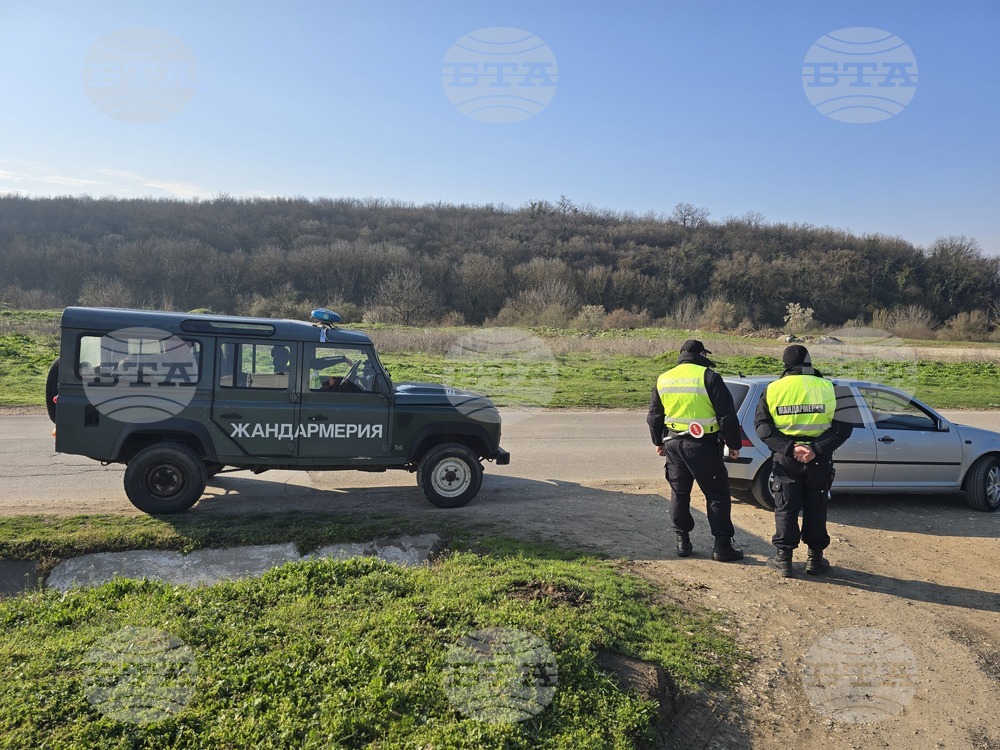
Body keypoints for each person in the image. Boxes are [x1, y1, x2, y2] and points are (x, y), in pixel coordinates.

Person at [754, 344, 854, 577]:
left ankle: (784, 560)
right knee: (816, 507)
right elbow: (845, 427)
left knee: (786, 507)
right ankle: (815, 560)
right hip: (818, 460)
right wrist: (816, 449)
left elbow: (762, 428)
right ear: (809, 362)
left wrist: (790, 448)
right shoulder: (833, 388)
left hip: (786, 459)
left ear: (785, 365)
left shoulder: (772, 389)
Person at [647, 339, 744, 562]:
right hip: (704, 445)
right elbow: (727, 416)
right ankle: (722, 546)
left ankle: (682, 542)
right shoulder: (709, 377)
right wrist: (734, 444)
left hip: (673, 443)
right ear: (701, 354)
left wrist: (658, 442)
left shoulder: (664, 378)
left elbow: (654, 416)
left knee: (680, 493)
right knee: (717, 495)